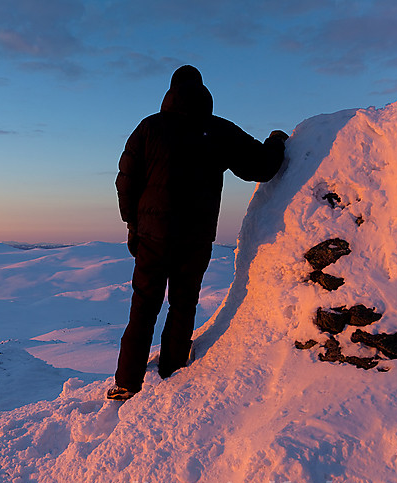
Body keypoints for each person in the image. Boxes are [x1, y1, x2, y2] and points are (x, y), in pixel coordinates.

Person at [108, 65, 288, 401]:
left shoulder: (149, 128)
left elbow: (125, 182)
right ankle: (172, 371)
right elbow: (261, 166)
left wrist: (133, 225)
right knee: (183, 302)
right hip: (195, 238)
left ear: (170, 93)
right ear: (203, 93)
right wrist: (276, 141)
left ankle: (127, 382)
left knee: (143, 306)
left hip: (152, 237)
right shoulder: (217, 130)